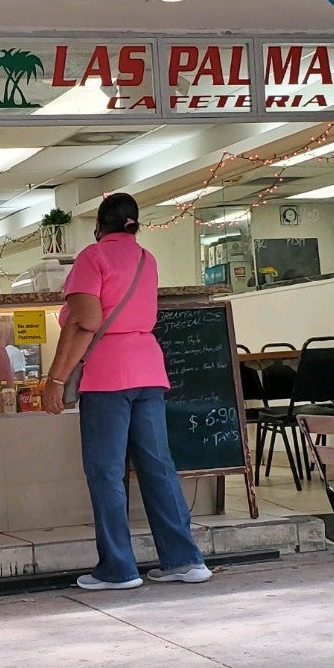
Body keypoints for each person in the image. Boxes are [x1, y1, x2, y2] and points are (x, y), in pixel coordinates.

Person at [42, 192, 211, 590]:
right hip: (149, 370)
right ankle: (184, 560)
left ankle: (118, 568)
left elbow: (85, 321)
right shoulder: (146, 259)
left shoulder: (92, 257)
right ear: (135, 224)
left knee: (106, 471)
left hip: (108, 376)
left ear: (99, 225)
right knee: (158, 466)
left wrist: (56, 380)